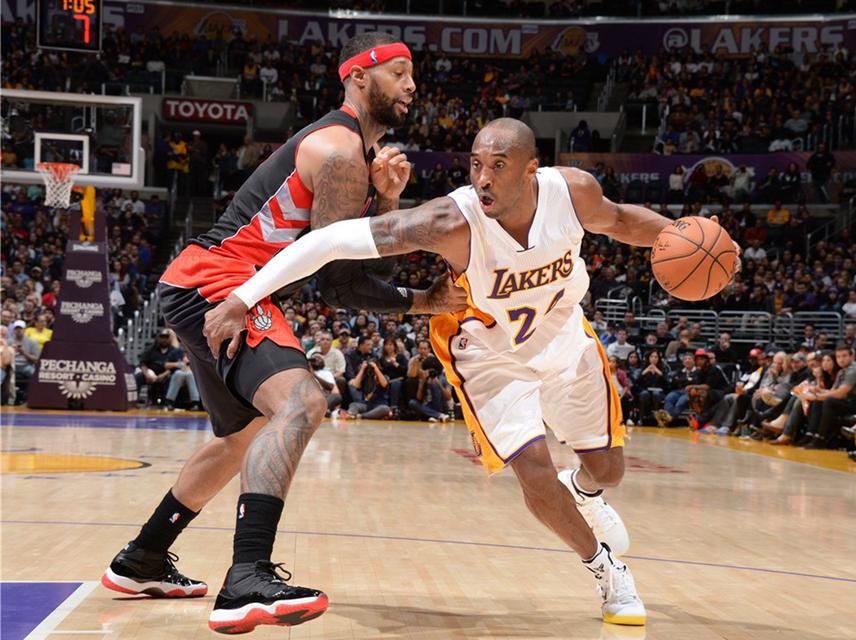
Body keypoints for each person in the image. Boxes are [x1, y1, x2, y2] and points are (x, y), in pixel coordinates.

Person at [203, 118, 741, 627]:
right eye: (476, 165)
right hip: (488, 354)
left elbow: (622, 220)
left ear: (531, 169)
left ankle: (585, 491)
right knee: (534, 469)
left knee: (609, 471)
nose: (483, 178)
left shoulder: (572, 192)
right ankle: (605, 569)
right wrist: (243, 296)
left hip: (564, 339)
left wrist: (690, 235)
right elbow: (330, 241)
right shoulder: (451, 221)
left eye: (499, 166)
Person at [101, 33, 464, 635]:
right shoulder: (340, 151)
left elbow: (345, 266)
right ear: (358, 76)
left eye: (412, 74)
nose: (412, 84)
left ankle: (141, 558)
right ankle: (246, 578)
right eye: (399, 72)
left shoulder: (357, 157)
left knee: (243, 437)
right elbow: (339, 286)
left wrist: (386, 202)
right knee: (301, 402)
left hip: (206, 284)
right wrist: (421, 300)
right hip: (221, 285)